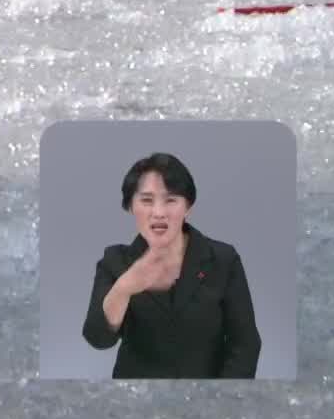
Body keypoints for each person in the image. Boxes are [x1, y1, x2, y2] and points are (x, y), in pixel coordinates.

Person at [82, 153, 261, 378]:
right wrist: (124, 288)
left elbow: (246, 344)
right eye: (146, 200)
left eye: (171, 200)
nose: (158, 213)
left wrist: (222, 399)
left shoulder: (223, 259)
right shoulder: (115, 261)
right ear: (130, 207)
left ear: (188, 207)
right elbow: (98, 338)